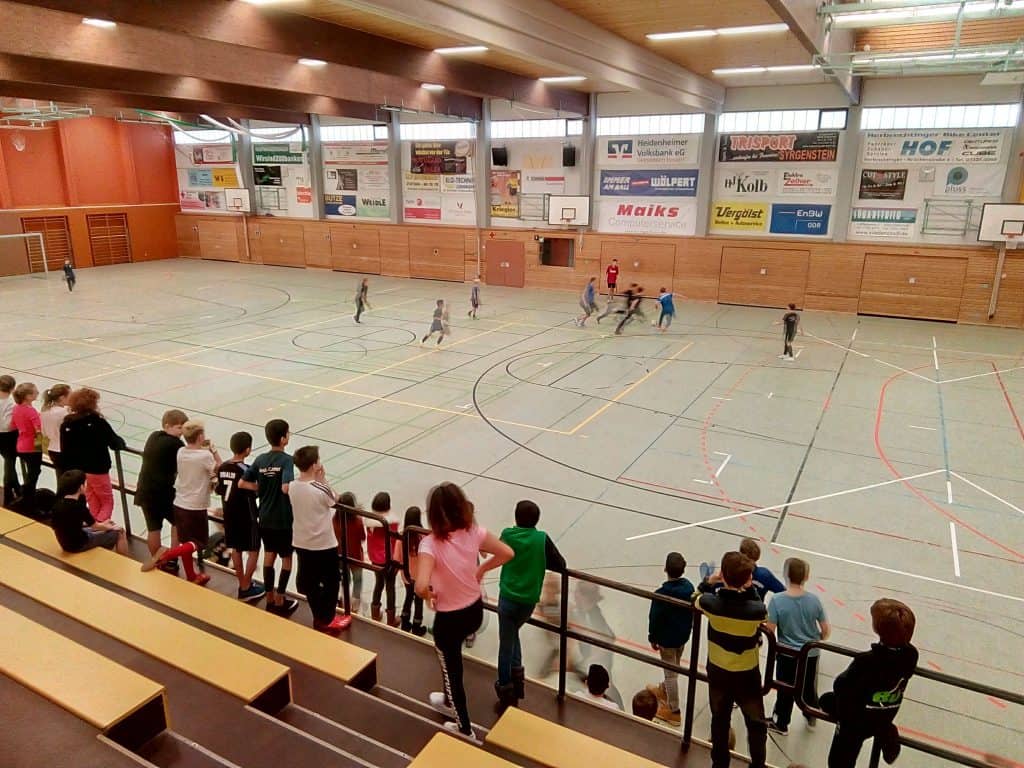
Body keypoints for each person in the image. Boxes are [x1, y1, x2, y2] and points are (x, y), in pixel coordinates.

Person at [417, 482, 513, 737]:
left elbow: (420, 585)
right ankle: (449, 701)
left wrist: (428, 596)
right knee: (451, 669)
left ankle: (464, 728)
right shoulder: (474, 532)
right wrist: (481, 570)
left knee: (453, 671)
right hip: (474, 611)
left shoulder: (430, 544)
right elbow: (506, 552)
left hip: (449, 620)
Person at [821, 599, 918, 768]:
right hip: (885, 712)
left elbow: (841, 685)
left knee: (826, 702)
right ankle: (885, 730)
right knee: (877, 720)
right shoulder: (911, 656)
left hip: (856, 720)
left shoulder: (866, 661)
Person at [694, 551, 768, 768]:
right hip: (747, 674)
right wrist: (750, 588)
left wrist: (708, 582)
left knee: (719, 720)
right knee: (756, 724)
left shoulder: (711, 604)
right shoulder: (757, 611)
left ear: (723, 576)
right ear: (747, 579)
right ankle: (757, 764)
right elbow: (759, 608)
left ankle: (719, 764)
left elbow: (695, 597)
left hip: (718, 671)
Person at [494, 499, 565, 708]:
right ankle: (517, 683)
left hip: (508, 597)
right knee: (513, 636)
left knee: (506, 646)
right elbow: (561, 564)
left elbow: (498, 552)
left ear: (515, 517)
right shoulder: (542, 539)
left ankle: (506, 690)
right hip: (528, 602)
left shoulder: (508, 534)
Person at [289, 445, 350, 635]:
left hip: (301, 541)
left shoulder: (292, 485)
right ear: (314, 465)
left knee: (311, 582)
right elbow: (335, 498)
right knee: (332, 581)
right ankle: (328, 618)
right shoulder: (319, 488)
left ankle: (319, 616)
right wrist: (322, 479)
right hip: (323, 543)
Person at [241, 419, 299, 616]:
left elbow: (242, 483)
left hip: (264, 517)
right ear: (283, 439)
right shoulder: (287, 460)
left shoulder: (260, 460)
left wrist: (259, 488)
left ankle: (269, 596)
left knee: (269, 555)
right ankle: (281, 597)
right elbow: (285, 487)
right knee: (287, 559)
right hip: (283, 519)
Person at [766, 558, 830, 735]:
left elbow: (770, 630)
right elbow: (825, 630)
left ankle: (781, 722)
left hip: (787, 654)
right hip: (810, 653)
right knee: (808, 686)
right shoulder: (814, 600)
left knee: (784, 688)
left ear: (786, 575)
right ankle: (811, 714)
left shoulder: (777, 600)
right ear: (806, 576)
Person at [60, 387, 127, 523]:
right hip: (97, 468)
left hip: (78, 470)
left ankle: (94, 522)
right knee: (107, 500)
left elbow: (64, 448)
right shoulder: (98, 423)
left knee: (91, 497)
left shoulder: (67, 424)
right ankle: (99, 525)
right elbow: (116, 443)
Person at [215, 431, 265, 602]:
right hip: (246, 514)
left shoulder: (222, 468)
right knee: (254, 549)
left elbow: (219, 489)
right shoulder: (247, 470)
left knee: (236, 548)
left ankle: (243, 584)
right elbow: (257, 489)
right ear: (248, 450)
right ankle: (246, 586)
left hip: (229, 514)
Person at [647, 551, 695, 725]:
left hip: (667, 640)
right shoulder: (689, 587)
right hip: (682, 636)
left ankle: (674, 710)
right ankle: (666, 690)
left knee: (671, 674)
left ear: (665, 569)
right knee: (675, 667)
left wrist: (652, 637)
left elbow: (654, 618)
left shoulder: (661, 594)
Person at [135, 409, 188, 568]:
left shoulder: (153, 436)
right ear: (167, 426)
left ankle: (158, 560)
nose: (182, 433)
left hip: (144, 490)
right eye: (179, 428)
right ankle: (172, 558)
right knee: (178, 522)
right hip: (162, 493)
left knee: (153, 528)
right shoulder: (175, 443)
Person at [173, 421, 220, 585]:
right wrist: (213, 451)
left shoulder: (180, 451)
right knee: (199, 542)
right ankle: (167, 555)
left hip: (179, 502)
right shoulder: (205, 456)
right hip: (195, 506)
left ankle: (191, 575)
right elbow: (219, 468)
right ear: (200, 436)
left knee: (186, 541)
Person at [52, 470, 128, 554]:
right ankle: (123, 561)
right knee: (119, 532)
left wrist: (104, 524)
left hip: (65, 543)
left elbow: (63, 524)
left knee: (105, 526)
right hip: (79, 544)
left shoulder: (58, 503)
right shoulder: (79, 506)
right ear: (81, 487)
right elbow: (96, 526)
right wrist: (111, 527)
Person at [367, 491, 400, 625]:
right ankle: (391, 618)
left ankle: (375, 613)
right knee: (390, 586)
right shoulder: (392, 522)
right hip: (389, 559)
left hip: (375, 558)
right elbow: (395, 540)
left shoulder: (369, 520)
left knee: (378, 583)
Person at [10, 382, 43, 516]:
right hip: (31, 447)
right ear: (28, 396)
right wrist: (42, 446)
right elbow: (39, 430)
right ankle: (28, 503)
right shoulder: (30, 411)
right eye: (35, 392)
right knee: (33, 475)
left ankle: (26, 498)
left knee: (31, 473)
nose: (37, 393)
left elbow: (13, 425)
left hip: (21, 444)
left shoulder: (17, 408)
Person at [394, 505, 426, 635]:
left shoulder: (402, 538)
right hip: (420, 577)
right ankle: (417, 627)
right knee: (419, 601)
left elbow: (397, 558)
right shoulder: (424, 537)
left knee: (408, 597)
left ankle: (405, 622)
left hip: (407, 576)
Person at [338, 491, 366, 614]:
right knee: (358, 580)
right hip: (355, 556)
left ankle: (345, 600)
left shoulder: (334, 521)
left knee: (345, 579)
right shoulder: (358, 521)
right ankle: (355, 604)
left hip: (340, 556)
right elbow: (363, 537)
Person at [740, 537, 786, 602]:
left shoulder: (764, 576)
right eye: (747, 560)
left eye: (752, 560)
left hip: (756, 610)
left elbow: (783, 593)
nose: (749, 564)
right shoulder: (732, 571)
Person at [40, 384, 71, 478]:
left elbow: (43, 432)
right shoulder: (63, 413)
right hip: (65, 449)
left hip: (52, 449)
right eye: (70, 395)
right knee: (71, 479)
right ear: (62, 397)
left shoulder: (44, 411)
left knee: (60, 476)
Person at [0, 374, 20, 506]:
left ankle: (17, 488)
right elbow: (7, 425)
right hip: (7, 436)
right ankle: (8, 493)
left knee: (9, 463)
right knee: (9, 463)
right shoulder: (11, 404)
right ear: (12, 389)